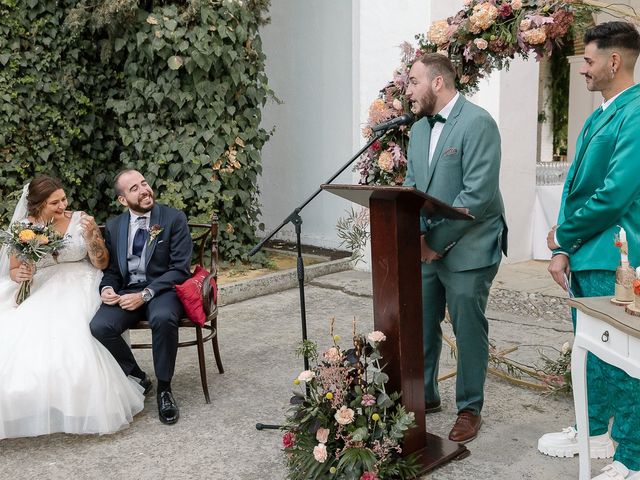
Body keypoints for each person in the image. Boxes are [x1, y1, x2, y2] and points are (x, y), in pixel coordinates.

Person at [537, 21, 640, 479]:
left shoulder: (636, 113)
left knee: (624, 359)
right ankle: (595, 430)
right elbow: (576, 187)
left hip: (614, 254)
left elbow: (616, 193)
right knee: (594, 352)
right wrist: (563, 249)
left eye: (589, 59)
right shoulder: (600, 113)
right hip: (586, 253)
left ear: (613, 61)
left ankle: (633, 456)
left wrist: (563, 236)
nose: (583, 68)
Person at [403, 53, 507, 443]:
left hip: (472, 243)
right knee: (422, 321)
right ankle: (424, 395)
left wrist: (435, 242)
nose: (408, 90)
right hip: (428, 245)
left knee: (467, 326)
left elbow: (476, 197)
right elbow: (412, 190)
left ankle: (469, 407)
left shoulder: (478, 123)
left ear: (437, 83)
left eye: (413, 81)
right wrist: (415, 237)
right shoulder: (416, 132)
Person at [0, 175, 144, 439]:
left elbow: (101, 263)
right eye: (54, 202)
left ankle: (83, 402)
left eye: (64, 198)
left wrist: (92, 238)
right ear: (37, 205)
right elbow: (12, 269)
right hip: (41, 287)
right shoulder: (22, 227)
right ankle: (41, 404)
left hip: (81, 283)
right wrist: (20, 274)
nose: (62, 204)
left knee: (75, 337)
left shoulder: (80, 220)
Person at [90, 169, 192, 425]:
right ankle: (137, 376)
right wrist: (107, 289)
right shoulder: (114, 226)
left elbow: (180, 269)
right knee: (100, 326)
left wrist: (145, 294)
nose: (144, 190)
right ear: (123, 200)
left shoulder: (172, 218)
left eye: (144, 183)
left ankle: (165, 389)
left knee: (164, 318)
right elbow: (112, 271)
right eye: (134, 188)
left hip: (162, 291)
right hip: (127, 292)